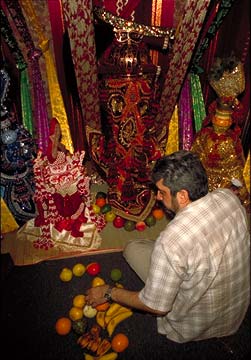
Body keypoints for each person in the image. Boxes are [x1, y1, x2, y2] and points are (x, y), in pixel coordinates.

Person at [85, 150, 250, 343]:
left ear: (182, 196)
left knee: (133, 249)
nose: (157, 197)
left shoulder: (171, 241)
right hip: (234, 316)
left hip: (194, 325)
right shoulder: (228, 197)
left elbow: (156, 307)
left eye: (162, 192)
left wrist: (109, 292)